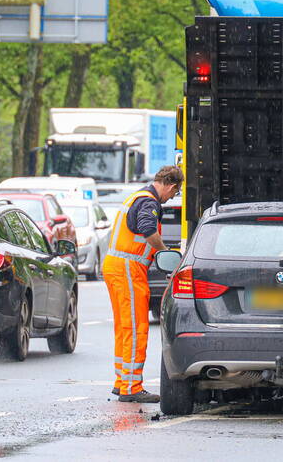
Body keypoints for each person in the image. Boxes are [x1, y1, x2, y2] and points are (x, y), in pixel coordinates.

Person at [104, 165, 183, 403]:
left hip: (117, 266)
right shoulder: (149, 202)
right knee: (136, 329)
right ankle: (131, 387)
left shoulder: (136, 197)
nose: (171, 198)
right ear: (171, 186)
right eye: (174, 193)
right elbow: (148, 230)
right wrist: (165, 253)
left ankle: (122, 381)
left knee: (124, 326)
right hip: (128, 269)